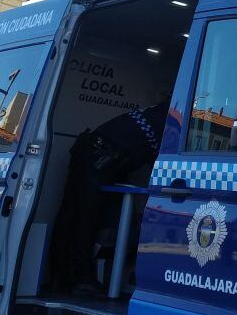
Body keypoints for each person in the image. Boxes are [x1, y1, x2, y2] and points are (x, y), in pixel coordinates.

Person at [55, 96, 169, 295]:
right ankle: (77, 278)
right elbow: (162, 163)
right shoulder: (170, 117)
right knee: (84, 219)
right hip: (98, 158)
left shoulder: (157, 111)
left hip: (98, 156)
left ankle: (65, 277)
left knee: (80, 216)